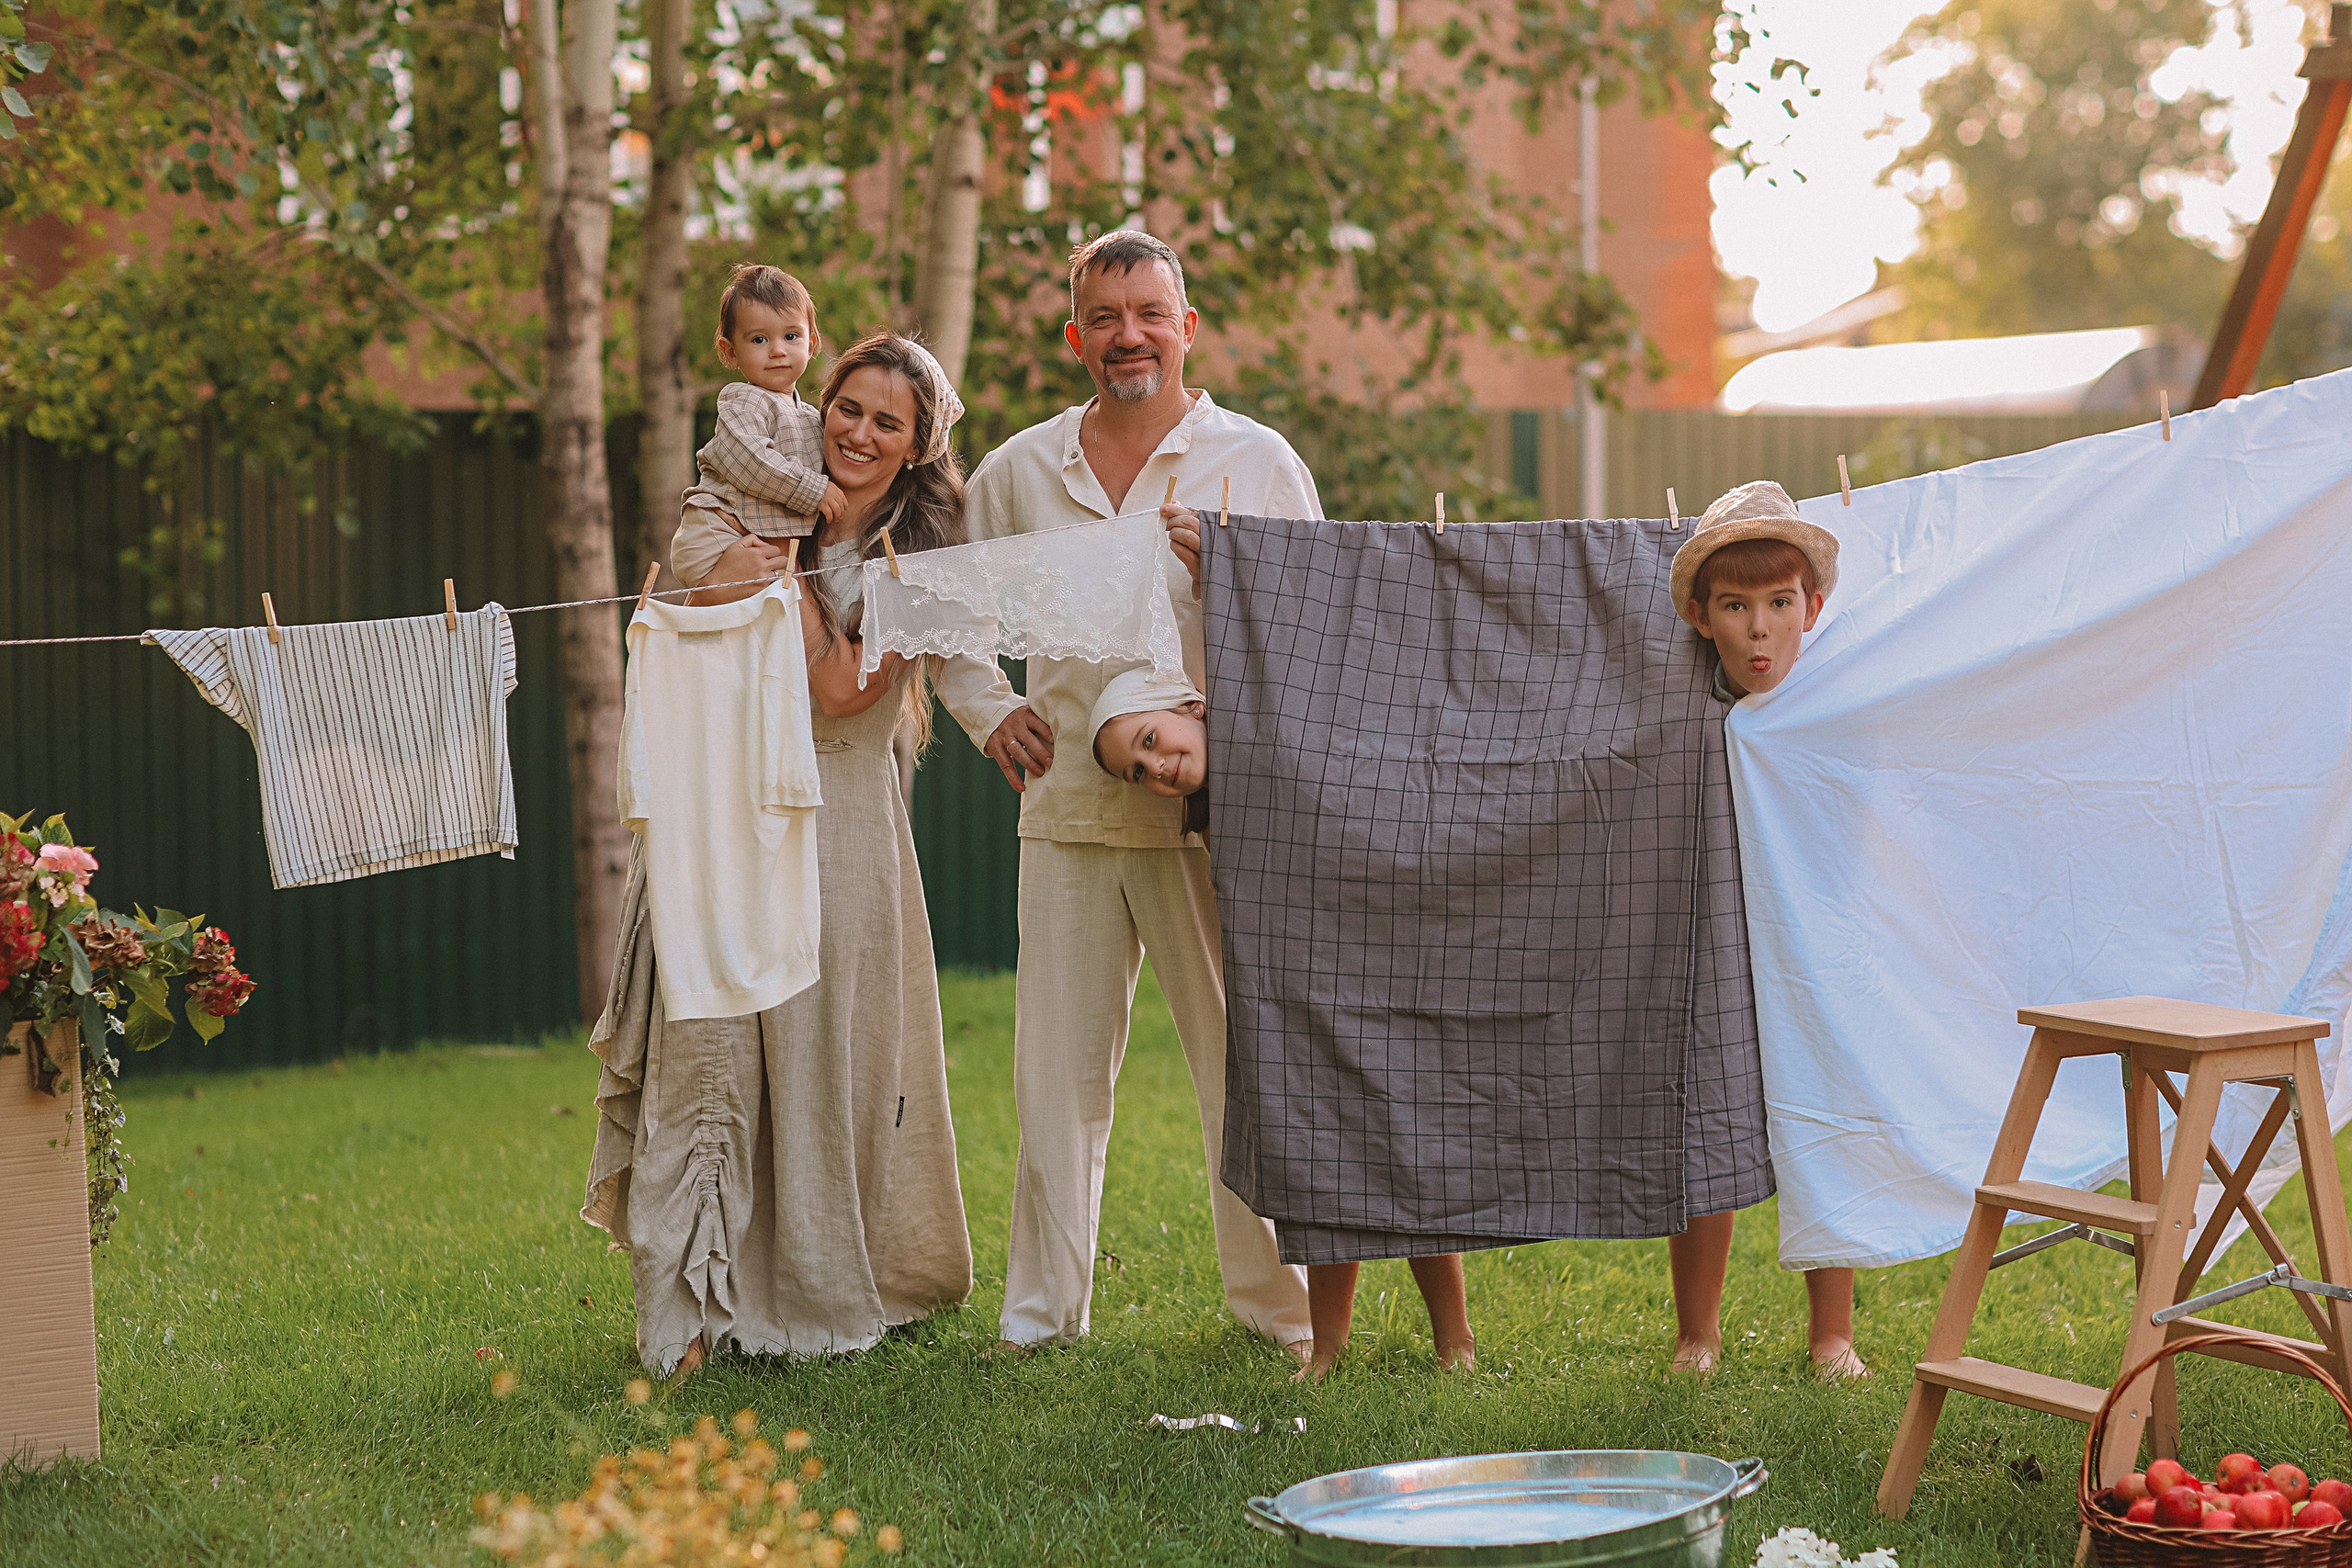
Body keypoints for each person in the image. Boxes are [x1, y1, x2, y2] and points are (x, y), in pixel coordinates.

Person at [940, 229, 1320, 1359]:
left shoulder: (1255, 462)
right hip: (1063, 809)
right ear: (1075, 338)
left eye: (1149, 313)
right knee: (1054, 1081)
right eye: (1104, 319)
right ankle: (1039, 1319)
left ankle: (1279, 1314)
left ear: (1187, 327)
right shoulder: (1017, 470)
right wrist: (981, 707)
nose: (1128, 336)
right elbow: (951, 608)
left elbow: (1320, 625)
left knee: (1237, 1076)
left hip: (1212, 816)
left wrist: (1234, 578)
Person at [582, 333, 981, 1373]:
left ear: (916, 443)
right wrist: (733, 576)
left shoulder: (922, 544)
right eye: (845, 407)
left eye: (884, 421)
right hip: (722, 806)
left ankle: (814, 1278)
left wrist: (793, 580)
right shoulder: (755, 498)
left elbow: (847, 690)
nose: (855, 431)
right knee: (707, 1044)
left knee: (818, 1054)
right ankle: (691, 1308)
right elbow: (683, 600)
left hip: (838, 816)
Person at [1091, 669, 1474, 1381]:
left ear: (1191, 706)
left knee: (1411, 1155)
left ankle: (1456, 1339)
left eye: (1151, 741)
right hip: (1307, 991)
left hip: (1381, 963)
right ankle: (1326, 1348)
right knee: (1326, 1173)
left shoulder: (1273, 728)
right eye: (1137, 772)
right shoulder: (1207, 813)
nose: (1155, 769)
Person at [1665, 478, 1865, 1382]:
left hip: (1817, 949)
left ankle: (1833, 1335)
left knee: (1823, 1123)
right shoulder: (1685, 718)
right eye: (1736, 607)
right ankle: (1695, 1335)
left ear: (1812, 608)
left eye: (1778, 604)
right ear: (1703, 618)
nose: (1758, 630)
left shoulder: (1836, 716)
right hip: (1708, 942)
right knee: (1704, 1122)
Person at [670, 265, 849, 593]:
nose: (778, 350)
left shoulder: (811, 417)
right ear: (730, 352)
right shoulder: (742, 402)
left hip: (760, 539)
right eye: (759, 339)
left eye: (791, 336)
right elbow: (752, 460)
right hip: (717, 528)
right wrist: (815, 490)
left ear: (812, 344)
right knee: (725, 605)